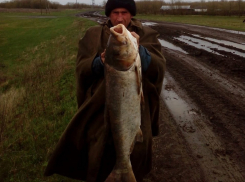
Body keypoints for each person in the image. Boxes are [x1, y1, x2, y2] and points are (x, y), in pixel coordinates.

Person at [44, 0, 166, 181]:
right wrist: (98, 63)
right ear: (108, 14)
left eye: (124, 12)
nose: (119, 18)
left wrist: (138, 52)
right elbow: (81, 69)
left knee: (136, 155)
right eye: (115, 12)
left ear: (131, 14)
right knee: (98, 157)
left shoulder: (146, 34)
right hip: (98, 112)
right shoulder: (92, 35)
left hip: (135, 112)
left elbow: (158, 68)